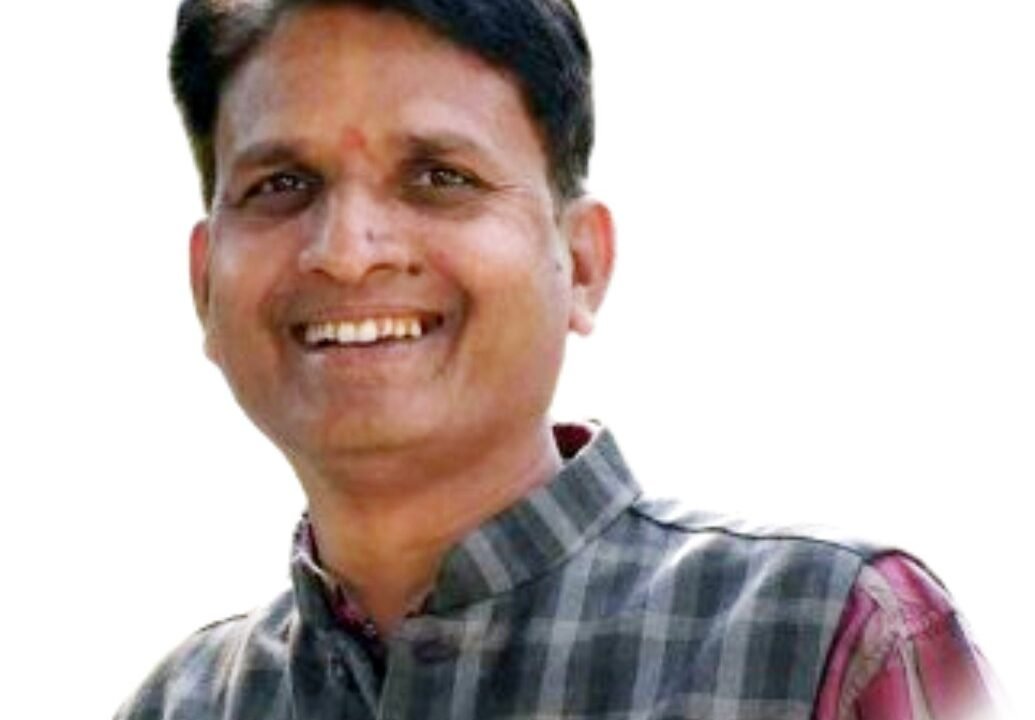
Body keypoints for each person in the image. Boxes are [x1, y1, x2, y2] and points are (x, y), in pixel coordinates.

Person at [116, 1, 999, 718]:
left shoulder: (828, 635)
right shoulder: (179, 705)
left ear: (581, 263)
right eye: (281, 185)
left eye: (438, 177)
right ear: (204, 283)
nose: (346, 251)